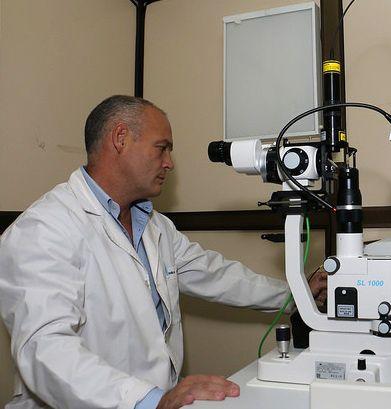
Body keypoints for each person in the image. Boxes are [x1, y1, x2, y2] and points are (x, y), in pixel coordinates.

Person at [0, 95, 327, 409]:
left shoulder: (153, 224)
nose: (169, 163)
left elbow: (215, 275)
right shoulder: (44, 230)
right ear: (120, 138)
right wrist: (149, 400)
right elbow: (44, 349)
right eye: (162, 148)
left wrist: (297, 294)